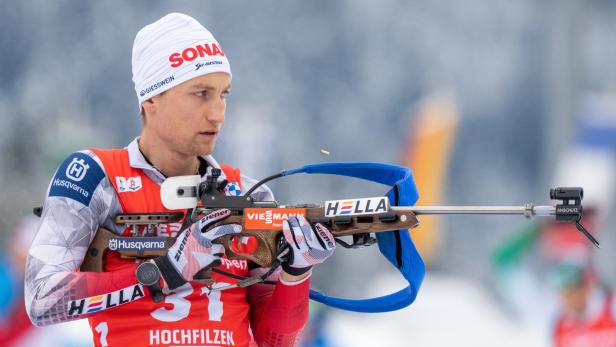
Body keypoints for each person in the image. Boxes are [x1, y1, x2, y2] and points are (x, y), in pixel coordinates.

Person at [25, 12, 336, 347]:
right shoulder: (95, 176)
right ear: (151, 98)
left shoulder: (246, 192)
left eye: (223, 95)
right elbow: (42, 299)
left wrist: (297, 272)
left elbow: (273, 341)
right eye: (200, 93)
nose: (217, 112)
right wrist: (166, 271)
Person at [551, 260, 616, 347]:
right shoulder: (561, 327)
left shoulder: (611, 308)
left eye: (574, 290)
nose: (571, 298)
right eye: (566, 293)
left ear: (587, 287)